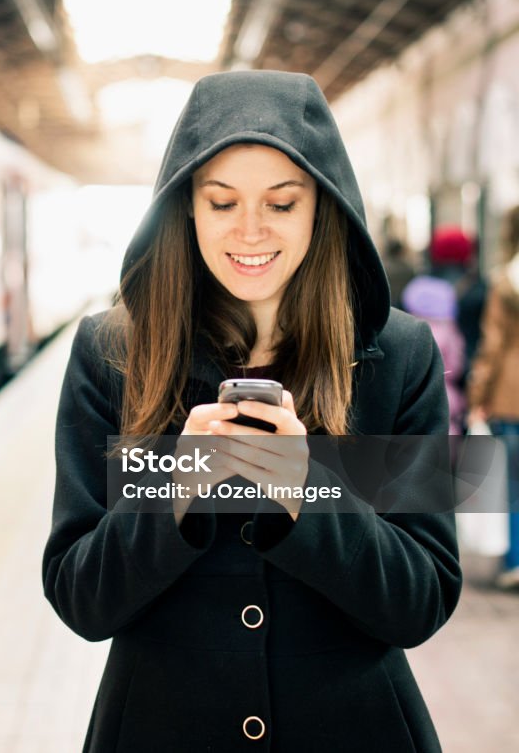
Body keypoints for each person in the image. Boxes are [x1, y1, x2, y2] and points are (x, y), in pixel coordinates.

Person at [42, 71, 461, 752]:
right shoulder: (111, 354)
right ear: (186, 209)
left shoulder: (401, 355)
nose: (250, 229)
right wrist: (173, 492)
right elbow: (79, 596)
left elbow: (425, 597)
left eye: (282, 202)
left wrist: (310, 489)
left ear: (322, 207)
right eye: (221, 201)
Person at [467, 204, 519, 590]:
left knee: (514, 486)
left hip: (510, 396)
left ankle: (516, 560)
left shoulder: (507, 282)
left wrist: (478, 396)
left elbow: (493, 347)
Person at [400, 276, 467, 435]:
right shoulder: (449, 331)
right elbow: (456, 366)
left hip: (413, 396)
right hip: (445, 395)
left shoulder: (408, 331)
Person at [383, 237, 415, 309]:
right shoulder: (407, 269)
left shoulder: (384, 268)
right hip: (404, 305)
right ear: (400, 252)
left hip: (387, 304)